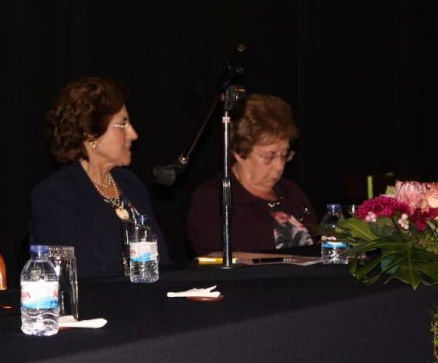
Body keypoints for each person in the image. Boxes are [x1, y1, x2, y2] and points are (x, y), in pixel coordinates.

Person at [29, 76, 170, 278]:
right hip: (100, 307)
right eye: (123, 124)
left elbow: (162, 263)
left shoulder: (130, 184)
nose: (133, 134)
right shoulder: (55, 195)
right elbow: (80, 277)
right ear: (90, 134)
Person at [186, 93, 317, 256]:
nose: (279, 166)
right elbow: (214, 265)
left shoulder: (291, 191)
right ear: (240, 152)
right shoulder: (212, 199)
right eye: (269, 156)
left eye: (284, 155)